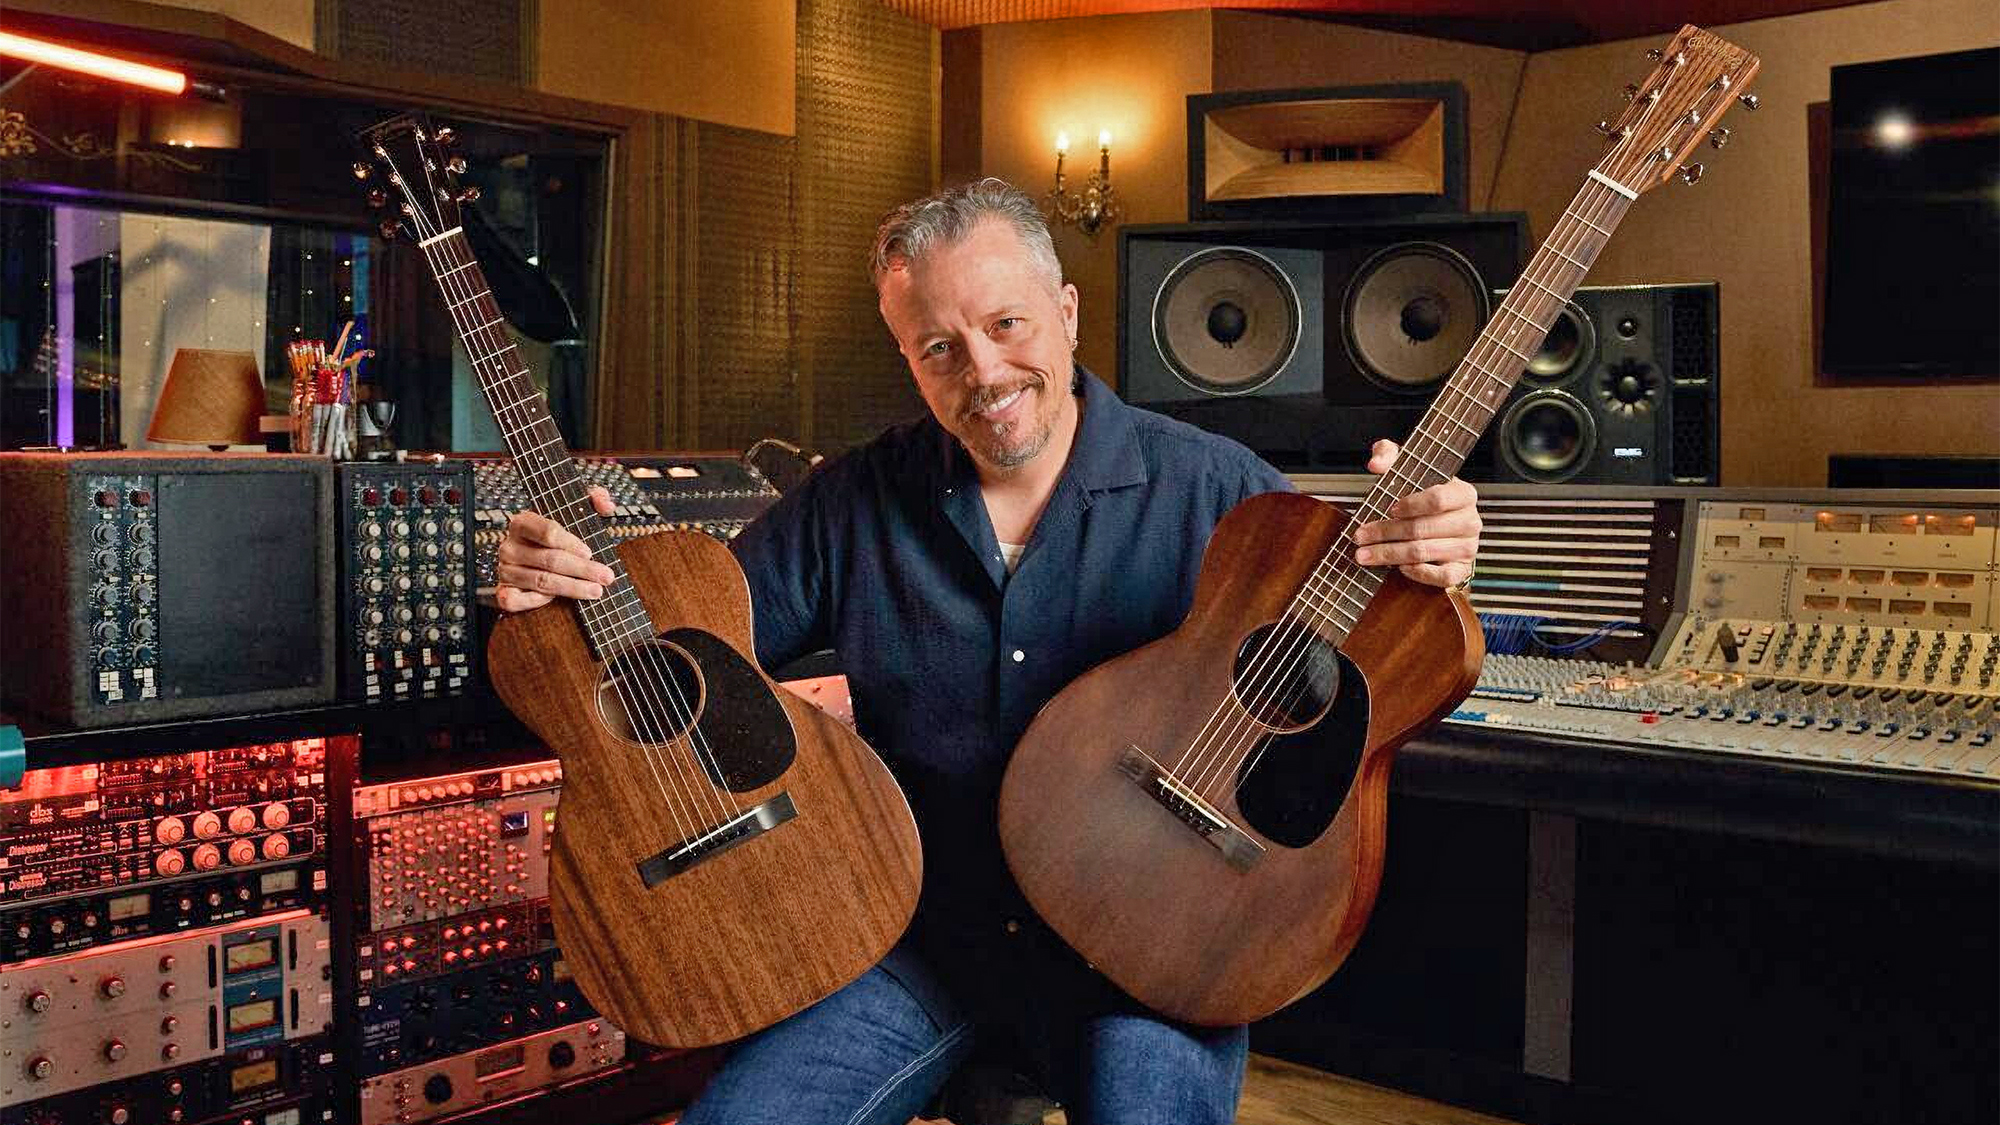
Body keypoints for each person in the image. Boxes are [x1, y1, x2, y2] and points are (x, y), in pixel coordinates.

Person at [495, 178, 1481, 1124]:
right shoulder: (853, 501)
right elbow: (677, 663)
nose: (981, 372)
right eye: (936, 347)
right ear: (907, 360)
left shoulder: (1218, 492)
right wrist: (559, 592)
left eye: (1004, 325)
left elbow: (1338, 672)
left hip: (1146, 949)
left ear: (1064, 310)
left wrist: (1424, 562)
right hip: (917, 939)